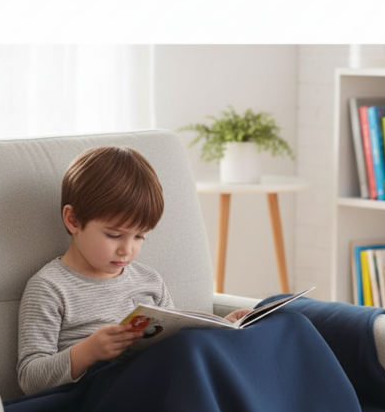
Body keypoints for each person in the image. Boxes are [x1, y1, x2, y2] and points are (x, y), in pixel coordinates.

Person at [17, 146, 251, 395]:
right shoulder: (49, 287)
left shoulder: (149, 280)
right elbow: (30, 379)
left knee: (287, 314)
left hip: (156, 385)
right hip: (99, 396)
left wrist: (220, 329)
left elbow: (176, 342)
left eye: (140, 236)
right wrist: (88, 351)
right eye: (114, 235)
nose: (127, 250)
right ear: (73, 220)